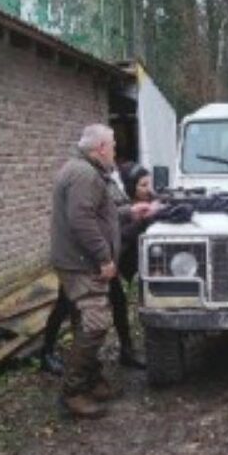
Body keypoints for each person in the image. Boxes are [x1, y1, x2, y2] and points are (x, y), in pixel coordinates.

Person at [49, 125, 158, 419]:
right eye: (111, 146)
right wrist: (104, 258)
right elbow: (81, 220)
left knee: (83, 321)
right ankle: (73, 393)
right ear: (99, 148)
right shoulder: (85, 175)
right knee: (95, 323)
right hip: (81, 262)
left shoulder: (84, 170)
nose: (114, 151)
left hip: (77, 259)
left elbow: (102, 212)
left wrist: (132, 211)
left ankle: (92, 380)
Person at [37, 161, 156, 374]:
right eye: (143, 185)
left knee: (118, 301)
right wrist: (137, 222)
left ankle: (126, 351)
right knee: (64, 306)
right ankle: (47, 354)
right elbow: (98, 226)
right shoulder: (86, 180)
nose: (149, 189)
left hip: (104, 261)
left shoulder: (114, 188)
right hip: (81, 261)